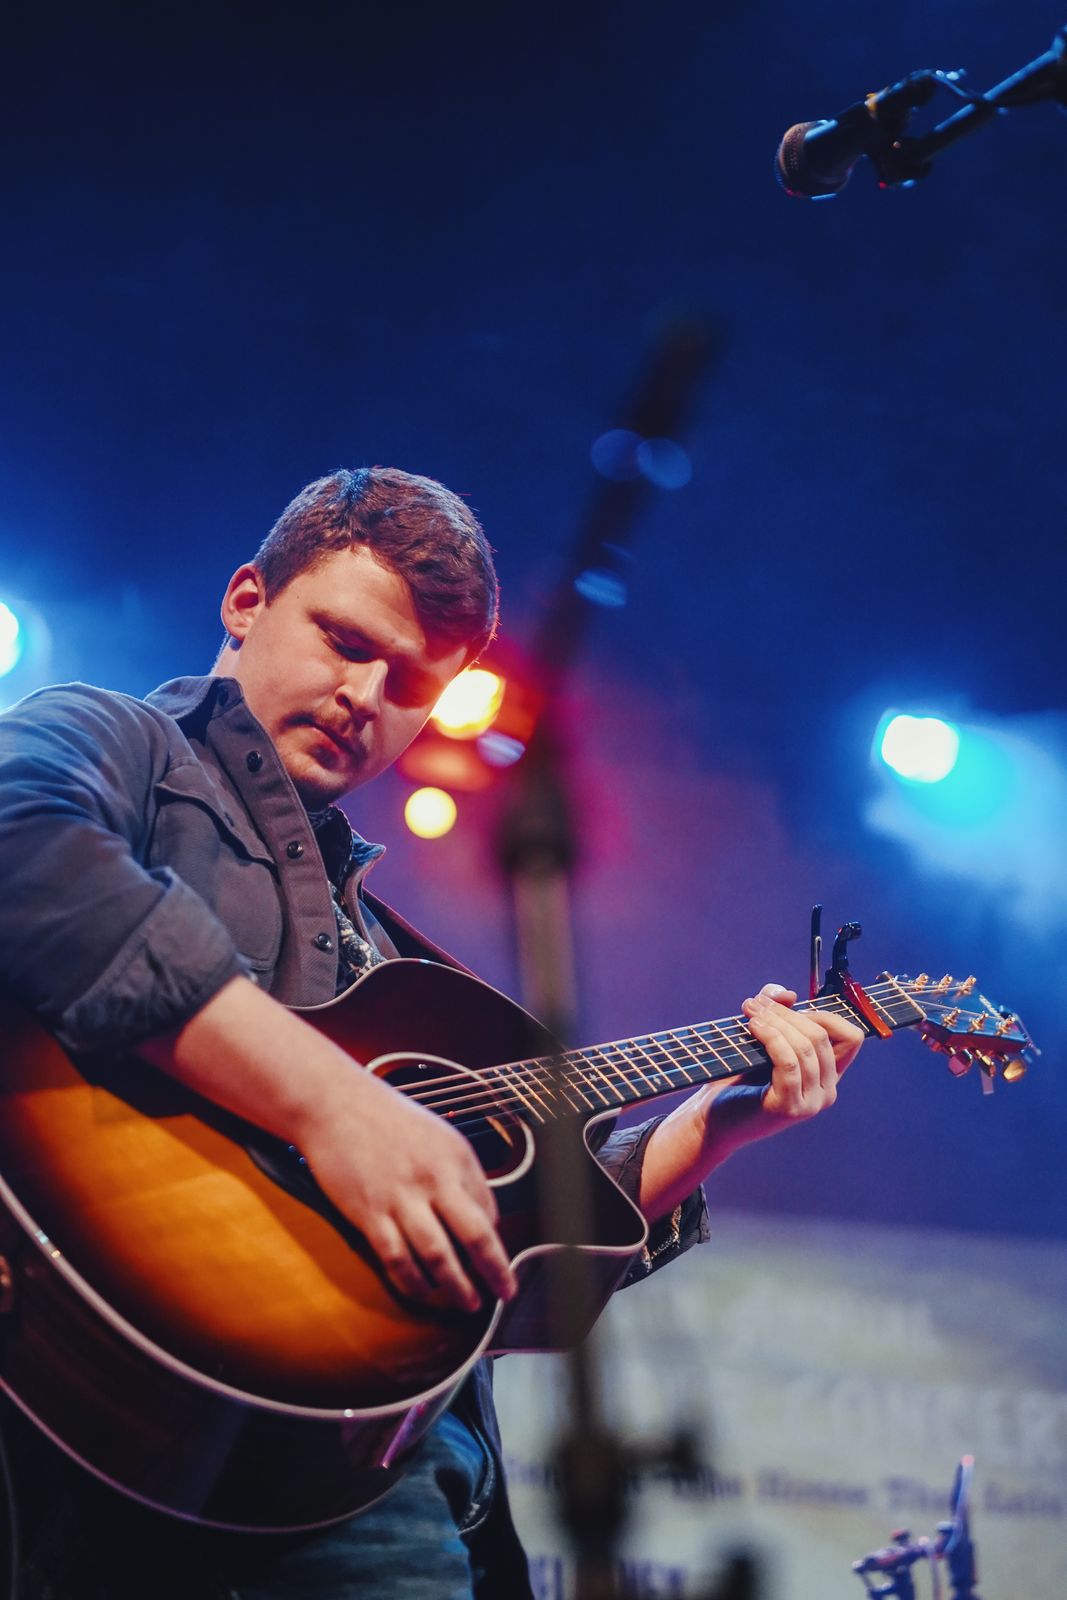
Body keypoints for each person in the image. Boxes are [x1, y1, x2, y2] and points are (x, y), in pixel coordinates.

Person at [0, 466, 865, 1598]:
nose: (367, 696)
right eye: (345, 641)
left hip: (371, 1463)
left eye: (412, 682)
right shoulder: (115, 740)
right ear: (247, 599)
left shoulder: (386, 954)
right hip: (133, 1434)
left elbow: (517, 1273)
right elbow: (22, 844)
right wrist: (331, 1103)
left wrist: (719, 1120)